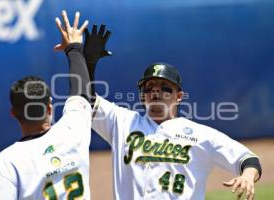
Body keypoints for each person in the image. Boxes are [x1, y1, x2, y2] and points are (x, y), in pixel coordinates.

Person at [82, 25, 262, 199]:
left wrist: (247, 176)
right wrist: (87, 63)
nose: (155, 91)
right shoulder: (121, 122)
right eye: (149, 87)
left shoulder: (201, 135)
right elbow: (86, 100)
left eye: (164, 87)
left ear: (179, 96)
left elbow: (248, 159)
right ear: (142, 96)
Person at [0, 10, 92, 199]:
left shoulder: (7, 163)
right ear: (49, 107)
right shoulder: (73, 130)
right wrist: (74, 47)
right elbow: (81, 91)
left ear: (13, 113)